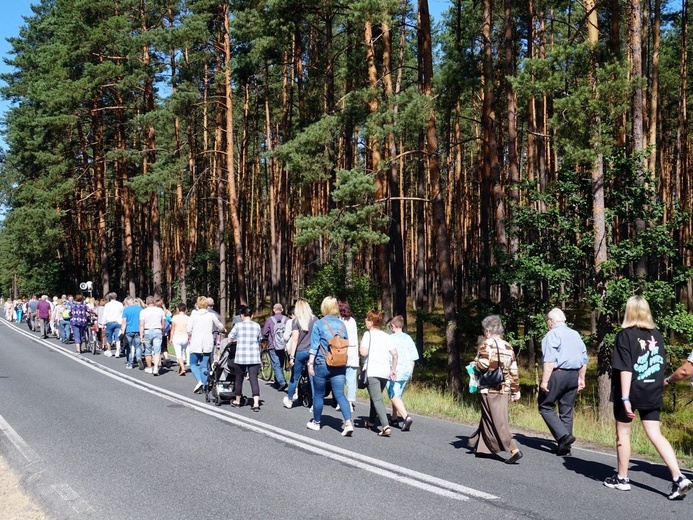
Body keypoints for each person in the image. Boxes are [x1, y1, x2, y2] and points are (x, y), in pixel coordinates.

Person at [604, 295, 692, 500]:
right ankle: (678, 477)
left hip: (631, 391)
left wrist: (625, 398)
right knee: (655, 434)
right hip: (652, 389)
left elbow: (625, 368)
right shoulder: (657, 335)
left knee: (623, 435)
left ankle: (622, 478)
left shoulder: (624, 335)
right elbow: (659, 364)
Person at [469, 315, 522, 464]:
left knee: (498, 421)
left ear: (487, 330)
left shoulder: (486, 344)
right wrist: (515, 390)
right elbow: (513, 370)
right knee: (488, 417)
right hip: (504, 388)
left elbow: (484, 364)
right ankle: (484, 447)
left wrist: (475, 363)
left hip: (489, 388)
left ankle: (513, 449)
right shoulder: (508, 346)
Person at [538, 308, 588, 455]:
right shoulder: (575, 334)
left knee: (545, 406)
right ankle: (565, 448)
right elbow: (584, 359)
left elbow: (549, 360)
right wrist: (581, 378)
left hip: (557, 374)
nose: (547, 323)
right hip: (573, 375)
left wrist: (544, 381)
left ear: (552, 321)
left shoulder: (552, 335)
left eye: (548, 320)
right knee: (566, 410)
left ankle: (564, 437)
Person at [307, 296, 354, 436]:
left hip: (322, 363)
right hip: (339, 363)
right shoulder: (342, 325)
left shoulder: (319, 324)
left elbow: (314, 346)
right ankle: (348, 423)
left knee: (319, 395)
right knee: (340, 394)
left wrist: (310, 363)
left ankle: (316, 422)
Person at [359, 309, 398, 437]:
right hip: (385, 372)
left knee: (377, 399)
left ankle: (385, 426)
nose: (365, 321)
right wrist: (393, 369)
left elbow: (363, 352)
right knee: (375, 397)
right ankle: (371, 422)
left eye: (367, 319)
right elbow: (395, 354)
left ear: (371, 322)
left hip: (372, 371)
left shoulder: (368, 335)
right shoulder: (386, 336)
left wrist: (361, 348)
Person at [186, 296, 225, 393]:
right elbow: (220, 326)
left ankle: (199, 381)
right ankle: (204, 386)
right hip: (207, 343)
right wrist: (222, 330)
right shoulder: (210, 315)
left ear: (198, 304)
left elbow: (188, 329)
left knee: (193, 364)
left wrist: (191, 334)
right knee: (204, 365)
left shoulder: (194, 315)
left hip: (196, 343)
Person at [387, 315, 419, 431]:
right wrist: (411, 371)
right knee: (398, 395)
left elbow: (388, 355)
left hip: (394, 370)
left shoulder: (390, 338)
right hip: (406, 371)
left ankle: (406, 417)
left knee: (392, 394)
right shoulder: (408, 338)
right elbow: (413, 357)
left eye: (391, 326)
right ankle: (394, 418)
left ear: (393, 326)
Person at [283, 299, 317, 409]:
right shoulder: (315, 319)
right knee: (312, 378)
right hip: (312, 352)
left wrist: (292, 356)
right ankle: (314, 403)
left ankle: (289, 399)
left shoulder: (296, 321)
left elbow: (295, 339)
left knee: (295, 377)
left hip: (300, 352)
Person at [228, 306, 262, 411]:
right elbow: (259, 339)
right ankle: (256, 403)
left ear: (242, 315)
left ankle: (237, 401)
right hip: (254, 357)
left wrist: (235, 341)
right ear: (252, 316)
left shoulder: (238, 326)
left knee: (239, 378)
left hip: (241, 356)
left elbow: (230, 338)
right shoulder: (257, 326)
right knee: (253, 379)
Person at [262, 303, 288, 391]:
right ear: (282, 310)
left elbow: (265, 332)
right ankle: (277, 382)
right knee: (280, 363)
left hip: (273, 345)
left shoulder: (270, 320)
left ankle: (282, 382)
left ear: (273, 310)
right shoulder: (286, 319)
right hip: (284, 345)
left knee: (276, 364)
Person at [339, 300, 359, 412]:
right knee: (351, 380)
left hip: (342, 351)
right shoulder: (352, 321)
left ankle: (340, 401)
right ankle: (350, 402)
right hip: (353, 352)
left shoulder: (339, 321)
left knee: (340, 378)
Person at [139, 295, 166, 375]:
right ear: (154, 302)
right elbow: (163, 323)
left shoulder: (143, 311)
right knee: (157, 350)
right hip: (157, 330)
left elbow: (141, 325)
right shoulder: (160, 310)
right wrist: (162, 330)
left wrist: (141, 335)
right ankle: (156, 367)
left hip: (147, 331)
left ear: (146, 302)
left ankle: (150, 367)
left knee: (148, 350)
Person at [121, 297, 142, 369]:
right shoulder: (140, 309)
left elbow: (124, 322)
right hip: (138, 330)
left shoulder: (126, 310)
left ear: (127, 302)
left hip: (129, 330)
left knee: (129, 347)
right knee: (138, 346)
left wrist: (122, 332)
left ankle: (130, 363)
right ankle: (139, 358)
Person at [170, 302, 190, 375]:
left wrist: (171, 338)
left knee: (178, 354)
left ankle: (183, 368)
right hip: (185, 337)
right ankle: (181, 368)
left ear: (178, 309)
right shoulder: (188, 318)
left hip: (177, 336)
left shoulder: (175, 317)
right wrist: (190, 338)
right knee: (183, 352)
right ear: (185, 310)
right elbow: (189, 329)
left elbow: (172, 328)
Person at [103, 293, 124, 357]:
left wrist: (103, 323)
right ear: (116, 297)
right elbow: (122, 313)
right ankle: (117, 351)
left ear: (109, 297)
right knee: (117, 337)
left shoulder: (107, 305)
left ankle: (109, 351)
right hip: (118, 322)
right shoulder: (120, 304)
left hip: (109, 322)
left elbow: (105, 315)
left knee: (108, 337)